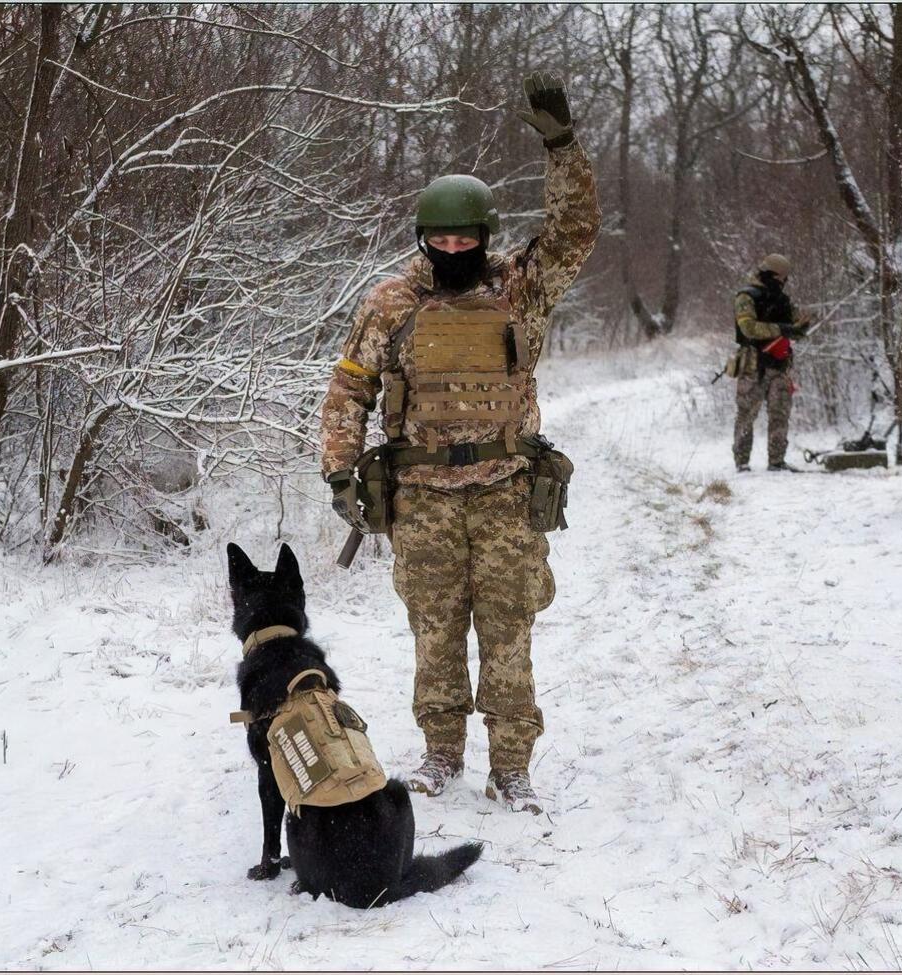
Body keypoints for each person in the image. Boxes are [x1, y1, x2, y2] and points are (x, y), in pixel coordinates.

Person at [318, 73, 599, 814]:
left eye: (465, 235)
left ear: (484, 234)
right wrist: (340, 470)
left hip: (508, 492)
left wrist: (562, 146)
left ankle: (512, 765)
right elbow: (351, 385)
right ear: (423, 237)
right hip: (423, 502)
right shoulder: (392, 302)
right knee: (434, 632)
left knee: (509, 630)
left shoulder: (518, 288)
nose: (453, 246)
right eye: (439, 237)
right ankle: (441, 753)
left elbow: (575, 233)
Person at [731, 253, 812, 472]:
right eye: (780, 280)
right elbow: (749, 328)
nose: (783, 284)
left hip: (779, 364)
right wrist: (781, 329)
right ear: (771, 275)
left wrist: (801, 327)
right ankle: (742, 462)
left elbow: (797, 325)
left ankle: (777, 461)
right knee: (747, 414)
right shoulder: (746, 297)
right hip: (752, 365)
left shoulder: (782, 300)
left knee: (780, 412)